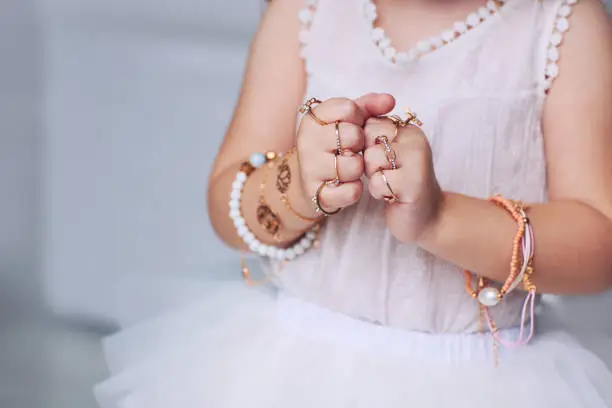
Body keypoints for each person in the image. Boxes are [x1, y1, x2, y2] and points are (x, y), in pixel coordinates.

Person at [95, 0, 612, 406]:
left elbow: (598, 245)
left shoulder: (561, 24)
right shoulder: (307, 10)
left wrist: (441, 218)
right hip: (290, 367)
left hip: (482, 377)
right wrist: (296, 185)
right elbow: (227, 206)